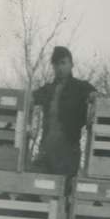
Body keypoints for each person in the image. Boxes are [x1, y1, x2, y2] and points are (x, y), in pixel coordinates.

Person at [29, 46, 97, 176]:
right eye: (56, 64)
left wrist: (92, 97)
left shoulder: (81, 87)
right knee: (33, 188)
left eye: (63, 63)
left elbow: (96, 99)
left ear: (72, 64)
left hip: (68, 154)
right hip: (46, 150)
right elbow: (28, 100)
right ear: (53, 67)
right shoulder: (47, 90)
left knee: (63, 192)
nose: (60, 68)